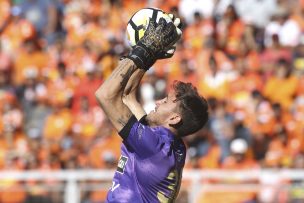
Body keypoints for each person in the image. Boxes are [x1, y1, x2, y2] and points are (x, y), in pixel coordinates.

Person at [95, 15, 209, 203]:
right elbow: (128, 96)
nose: (157, 102)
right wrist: (151, 55)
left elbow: (105, 96)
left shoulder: (153, 146)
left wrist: (143, 49)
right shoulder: (171, 144)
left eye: (165, 102)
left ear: (173, 119)